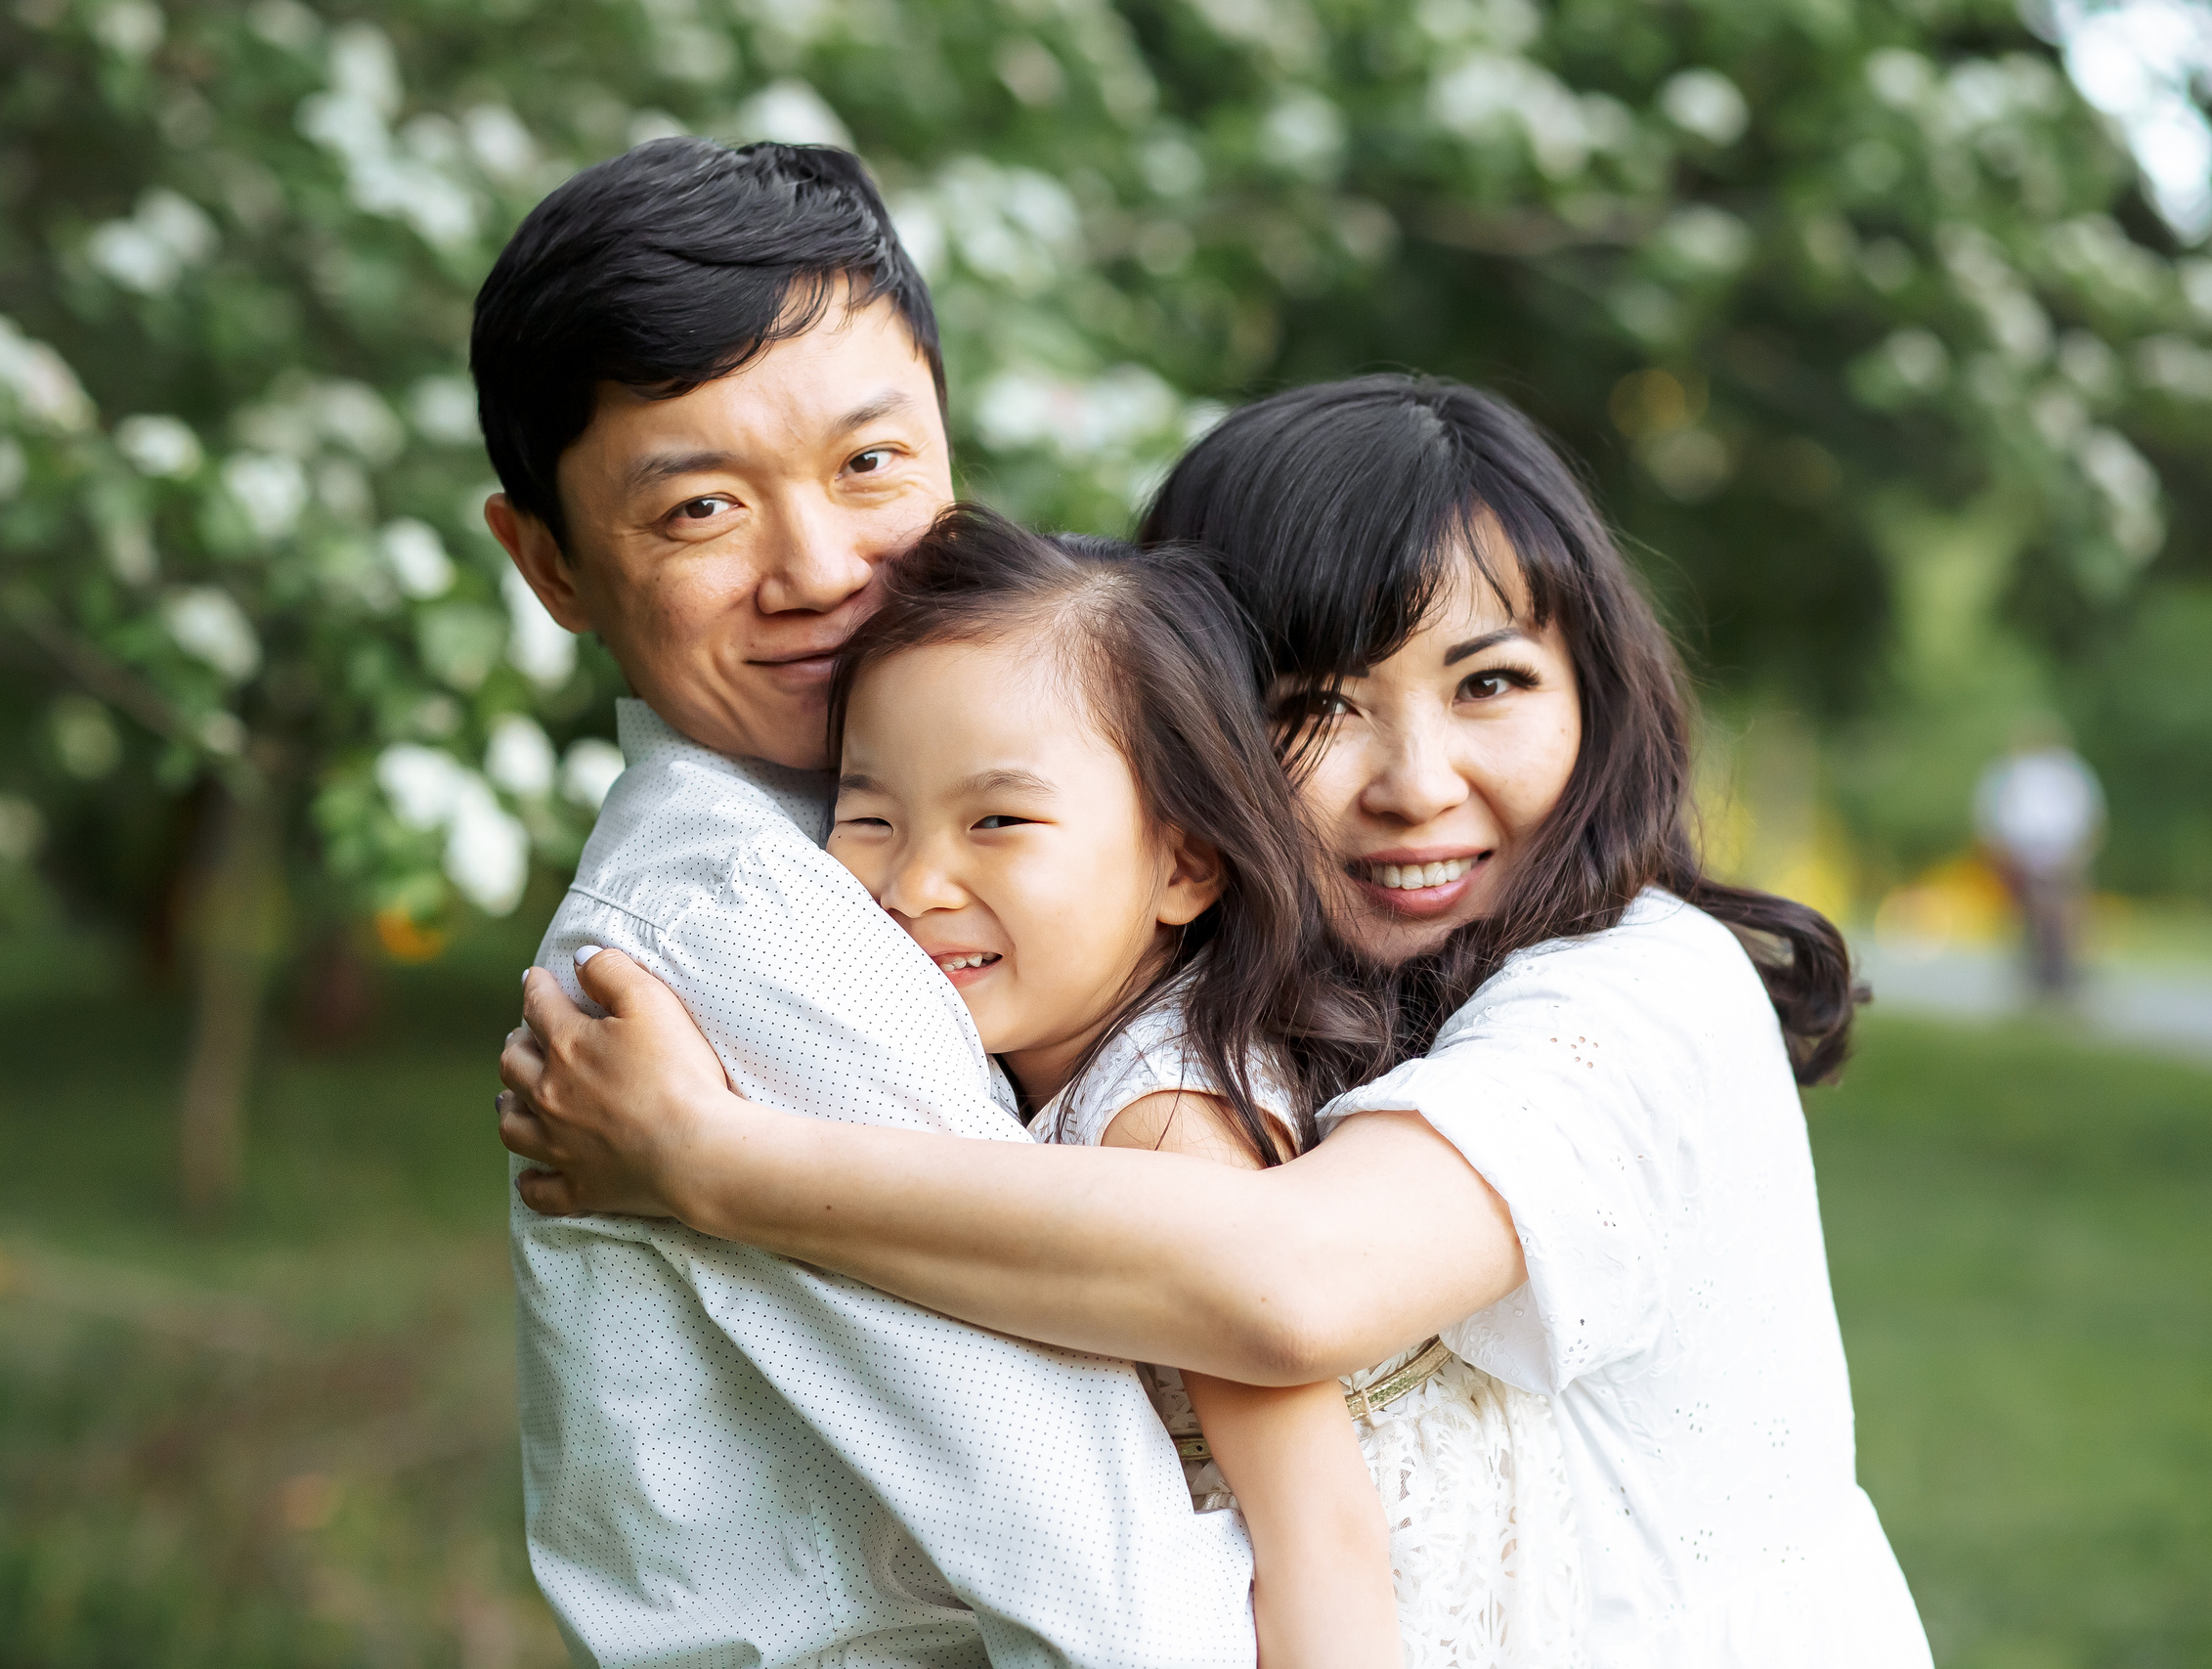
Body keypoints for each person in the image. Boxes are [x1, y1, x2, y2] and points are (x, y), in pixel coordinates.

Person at [500, 375, 1935, 1666]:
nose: (1416, 781)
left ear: (1595, 690)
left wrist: (707, 1160)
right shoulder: (1266, 1018)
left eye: (1491, 681)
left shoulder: (1639, 987)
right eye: (1317, 706)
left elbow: (1289, 1285)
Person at [474, 138, 1255, 1664]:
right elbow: (1100, 1559)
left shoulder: (875, 830)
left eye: (870, 464)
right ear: (550, 564)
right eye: (699, 509)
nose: (823, 566)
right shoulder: (741, 922)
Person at [818, 501, 1583, 1667]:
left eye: (999, 821)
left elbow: (1319, 1532)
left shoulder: (1163, 1115)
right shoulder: (1014, 1055)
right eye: (867, 814)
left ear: (1181, 864)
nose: (915, 880)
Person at [1973, 717, 2104, 999]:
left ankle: (2063, 973)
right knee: (2028, 916)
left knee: (2064, 916)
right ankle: (2035, 973)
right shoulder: (2011, 773)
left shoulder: (2069, 773)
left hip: (2062, 853)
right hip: (2023, 853)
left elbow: (2088, 817)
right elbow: (1995, 816)